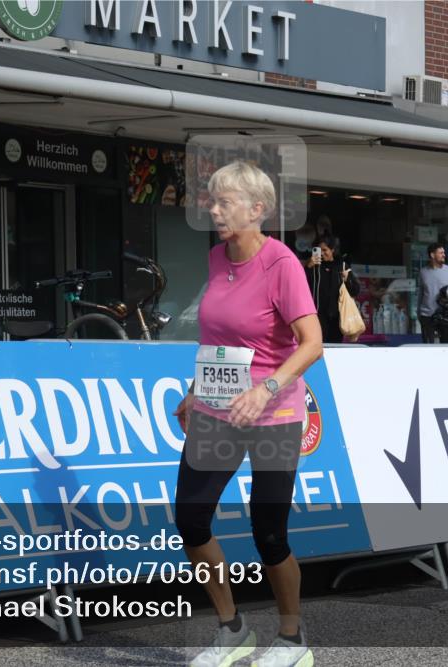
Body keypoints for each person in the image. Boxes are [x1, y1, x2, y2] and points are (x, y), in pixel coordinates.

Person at [173, 161, 322, 667]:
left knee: (269, 531)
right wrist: (196, 391)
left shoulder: (281, 264)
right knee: (191, 519)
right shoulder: (217, 258)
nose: (213, 209)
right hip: (216, 411)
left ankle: (291, 638)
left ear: (257, 209)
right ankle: (232, 630)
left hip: (273, 413)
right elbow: (219, 338)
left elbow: (313, 344)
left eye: (225, 201)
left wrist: (268, 388)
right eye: (212, 201)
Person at [305, 235, 359, 344]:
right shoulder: (314, 267)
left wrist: (347, 279)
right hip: (318, 317)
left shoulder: (342, 266)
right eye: (319, 250)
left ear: (332, 250)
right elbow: (300, 286)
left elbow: (355, 291)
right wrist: (308, 267)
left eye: (325, 250)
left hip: (336, 317)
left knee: (335, 347)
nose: (322, 253)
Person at [417, 242, 448, 343]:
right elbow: (421, 293)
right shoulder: (423, 272)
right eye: (441, 253)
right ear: (432, 255)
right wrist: (419, 313)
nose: (444, 255)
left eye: (444, 252)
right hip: (427, 315)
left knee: (446, 347)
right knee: (428, 348)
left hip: (446, 316)